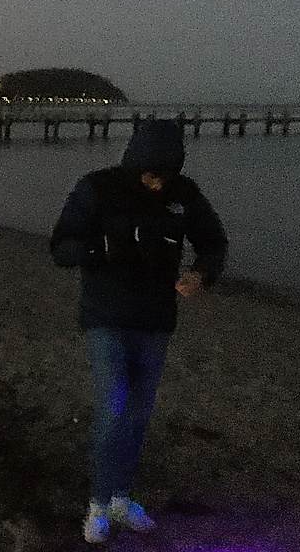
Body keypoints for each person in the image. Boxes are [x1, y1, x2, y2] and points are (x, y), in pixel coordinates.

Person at [50, 119, 228, 545]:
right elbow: (61, 246)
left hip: (155, 320)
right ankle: (97, 504)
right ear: (136, 164)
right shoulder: (97, 188)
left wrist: (202, 274)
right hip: (106, 316)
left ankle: (120, 497)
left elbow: (213, 241)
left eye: (165, 176)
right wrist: (99, 250)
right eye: (151, 175)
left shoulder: (184, 196)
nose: (156, 184)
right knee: (114, 407)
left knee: (139, 413)